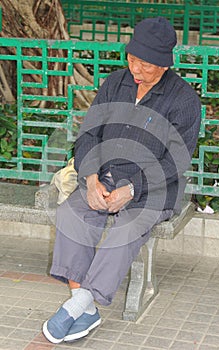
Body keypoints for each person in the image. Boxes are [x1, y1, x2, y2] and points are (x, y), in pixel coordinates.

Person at [42, 16, 201, 344]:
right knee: (72, 215)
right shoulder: (115, 84)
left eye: (144, 64)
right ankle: (84, 309)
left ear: (164, 65)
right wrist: (89, 179)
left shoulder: (184, 100)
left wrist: (132, 189)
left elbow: (176, 160)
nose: (135, 70)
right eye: (131, 60)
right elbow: (88, 135)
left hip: (153, 189)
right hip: (105, 176)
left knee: (126, 230)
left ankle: (80, 305)